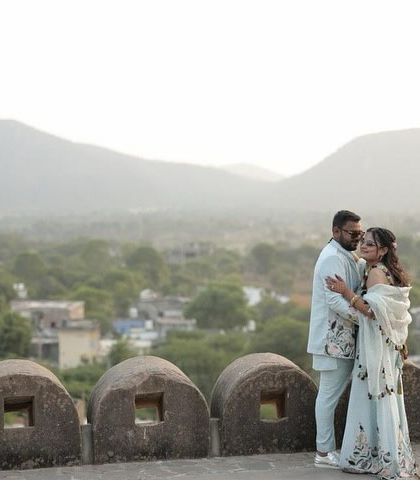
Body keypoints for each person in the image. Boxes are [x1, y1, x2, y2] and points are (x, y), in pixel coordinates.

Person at [326, 227, 417, 479]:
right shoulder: (383, 271)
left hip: (376, 346)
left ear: (384, 250)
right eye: (363, 242)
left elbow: (371, 311)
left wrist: (346, 293)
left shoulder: (377, 273)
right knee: (384, 396)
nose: (364, 246)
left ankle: (377, 457)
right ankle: (384, 454)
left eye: (370, 244)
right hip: (385, 345)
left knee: (375, 395)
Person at [307, 210, 365, 468]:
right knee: (328, 397)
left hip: (341, 341)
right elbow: (334, 300)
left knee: (331, 395)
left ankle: (327, 450)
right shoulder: (332, 258)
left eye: (360, 234)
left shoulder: (346, 256)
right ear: (336, 231)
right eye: (353, 233)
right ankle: (323, 452)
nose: (357, 238)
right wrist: (367, 317)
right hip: (332, 341)